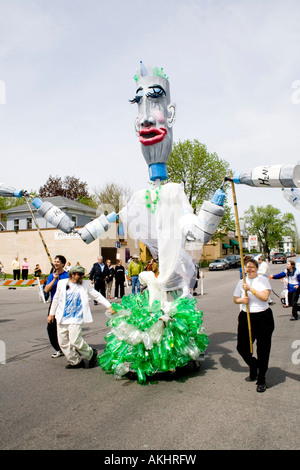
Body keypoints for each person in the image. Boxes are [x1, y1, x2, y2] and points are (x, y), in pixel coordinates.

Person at [48, 265, 114, 369]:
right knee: (63, 343)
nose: (82, 277)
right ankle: (76, 361)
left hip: (76, 317)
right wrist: (51, 314)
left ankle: (91, 354)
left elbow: (97, 295)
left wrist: (109, 306)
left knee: (75, 341)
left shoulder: (85, 284)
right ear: (72, 274)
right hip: (62, 317)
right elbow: (56, 299)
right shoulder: (62, 283)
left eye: (83, 274)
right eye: (79, 274)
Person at [233, 258, 275, 393]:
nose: (249, 269)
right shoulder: (241, 282)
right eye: (247, 267)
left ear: (257, 268)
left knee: (263, 350)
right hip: (246, 316)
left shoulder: (262, 280)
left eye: (252, 267)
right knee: (242, 347)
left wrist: (251, 289)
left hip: (263, 317)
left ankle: (261, 379)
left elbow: (265, 297)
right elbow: (235, 299)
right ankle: (254, 365)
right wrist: (241, 299)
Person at [44, 255, 69, 358]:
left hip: (65, 304)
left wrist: (60, 281)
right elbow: (46, 290)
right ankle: (58, 349)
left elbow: (69, 289)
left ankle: (68, 348)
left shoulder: (67, 275)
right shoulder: (51, 276)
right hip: (54, 304)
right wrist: (54, 279)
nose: (56, 263)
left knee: (65, 328)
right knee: (51, 327)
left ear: (63, 264)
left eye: (58, 262)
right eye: (55, 261)